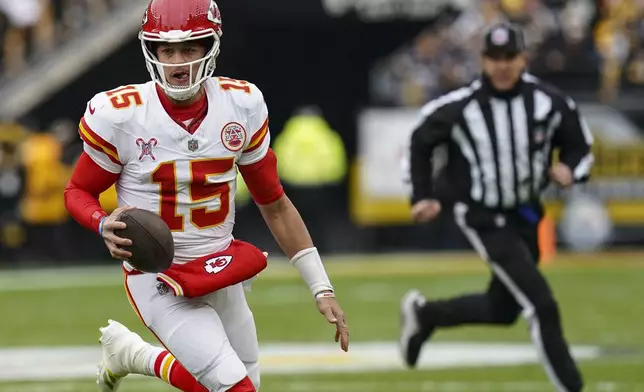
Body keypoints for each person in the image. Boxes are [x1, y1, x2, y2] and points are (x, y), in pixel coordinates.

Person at [63, 1, 349, 391]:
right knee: (234, 387)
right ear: (152, 51)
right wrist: (101, 222)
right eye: (167, 50)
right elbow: (78, 190)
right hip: (159, 275)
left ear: (210, 47)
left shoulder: (241, 104)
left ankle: (133, 355)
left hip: (219, 267)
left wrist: (322, 287)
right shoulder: (121, 114)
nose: (177, 61)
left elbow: (275, 204)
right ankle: (134, 353)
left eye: (189, 49)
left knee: (240, 381)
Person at [398, 23, 592, 392]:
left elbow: (580, 143)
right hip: (482, 216)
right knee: (542, 305)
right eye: (494, 57)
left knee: (503, 310)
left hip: (527, 215)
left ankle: (425, 315)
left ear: (523, 58)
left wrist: (570, 168)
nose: (502, 65)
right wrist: (421, 194)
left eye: (509, 57)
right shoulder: (461, 107)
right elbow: (420, 139)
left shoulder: (547, 101)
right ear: (483, 60)